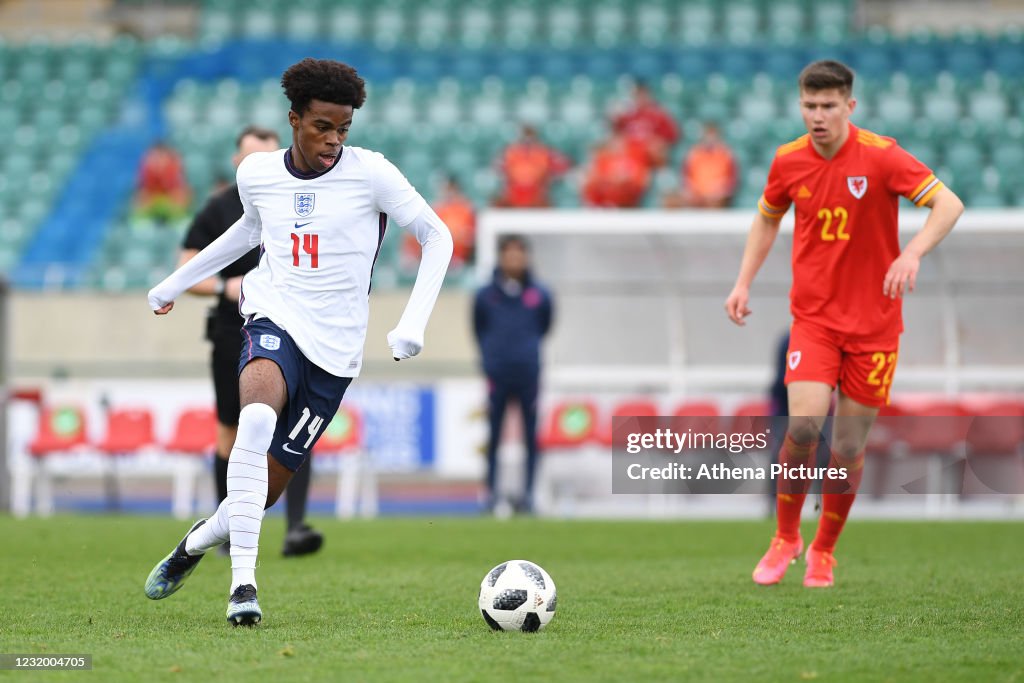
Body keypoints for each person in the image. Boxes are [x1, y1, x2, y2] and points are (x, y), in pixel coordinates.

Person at [143, 58, 453, 625]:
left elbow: (438, 235)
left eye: (344, 129)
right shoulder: (257, 173)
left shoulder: (372, 173)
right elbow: (250, 229)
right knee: (254, 419)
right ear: (294, 118)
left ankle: (193, 544)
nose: (334, 140)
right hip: (273, 314)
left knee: (263, 493)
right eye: (322, 127)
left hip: (335, 351)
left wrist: (414, 322)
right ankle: (243, 587)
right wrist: (175, 283)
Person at [724, 60, 963, 588]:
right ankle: (785, 537)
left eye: (829, 106)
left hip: (875, 327)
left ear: (849, 107)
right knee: (805, 425)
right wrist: (743, 281)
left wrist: (913, 253)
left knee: (849, 447)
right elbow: (768, 216)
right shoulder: (787, 161)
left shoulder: (881, 157)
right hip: (814, 321)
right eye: (810, 105)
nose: (818, 116)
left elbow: (949, 203)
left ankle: (824, 550)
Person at [179, 125, 324, 559]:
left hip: (293, 326)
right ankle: (226, 526)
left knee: (295, 426)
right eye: (250, 158)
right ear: (237, 163)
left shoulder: (300, 199)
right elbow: (187, 268)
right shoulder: (217, 209)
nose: (257, 165)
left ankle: (295, 527)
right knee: (232, 429)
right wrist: (229, 286)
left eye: (266, 156)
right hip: (232, 330)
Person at [473, 235, 553, 515]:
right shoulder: (486, 295)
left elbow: (545, 326)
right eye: (509, 254)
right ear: (500, 257)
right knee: (494, 436)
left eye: (520, 254)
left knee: (531, 437)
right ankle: (491, 495)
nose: (515, 259)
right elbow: (478, 328)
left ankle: (528, 495)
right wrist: (491, 360)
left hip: (528, 374)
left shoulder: (540, 294)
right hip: (498, 375)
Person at [402, 175, 475, 276]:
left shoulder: (465, 208)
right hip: (435, 255)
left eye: (449, 188)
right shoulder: (438, 208)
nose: (447, 192)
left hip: (458, 259)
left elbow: (467, 237)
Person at [663, 121, 738, 208]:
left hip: (717, 195)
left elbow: (731, 181)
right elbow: (686, 177)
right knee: (672, 201)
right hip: (696, 194)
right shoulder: (694, 153)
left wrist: (718, 191)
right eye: (708, 134)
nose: (710, 138)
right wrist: (693, 192)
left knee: (715, 201)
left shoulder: (726, 154)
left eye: (713, 134)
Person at [493, 125, 570, 208]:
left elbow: (562, 166)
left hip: (537, 195)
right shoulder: (510, 152)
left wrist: (549, 177)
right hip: (513, 194)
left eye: (530, 137)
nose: (527, 140)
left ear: (535, 137)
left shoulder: (545, 152)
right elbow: (498, 167)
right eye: (525, 136)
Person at [610, 79, 680, 169]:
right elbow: (616, 136)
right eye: (637, 94)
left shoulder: (658, 114)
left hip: (650, 159)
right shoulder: (627, 115)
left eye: (642, 94)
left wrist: (656, 144)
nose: (640, 97)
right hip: (630, 158)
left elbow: (671, 137)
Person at [581, 131, 651, 208]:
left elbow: (642, 180)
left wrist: (624, 180)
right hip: (604, 204)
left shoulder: (635, 158)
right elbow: (592, 182)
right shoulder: (602, 160)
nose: (616, 145)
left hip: (630, 202)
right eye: (613, 143)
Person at [134, 141, 191, 223]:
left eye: (161, 156)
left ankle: (178, 224)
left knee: (180, 197)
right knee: (140, 200)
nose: (157, 159)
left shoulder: (174, 165)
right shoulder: (145, 166)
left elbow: (177, 186)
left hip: (170, 196)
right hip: (152, 196)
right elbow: (143, 187)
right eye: (155, 156)